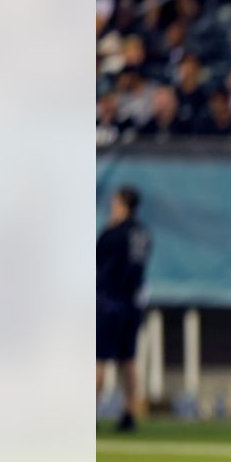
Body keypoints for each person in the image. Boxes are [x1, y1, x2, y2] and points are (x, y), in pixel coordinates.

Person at [97, 185, 152, 432]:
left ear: (122, 205)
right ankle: (129, 412)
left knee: (99, 359)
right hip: (133, 303)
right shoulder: (143, 233)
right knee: (128, 359)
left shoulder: (114, 234)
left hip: (110, 301)